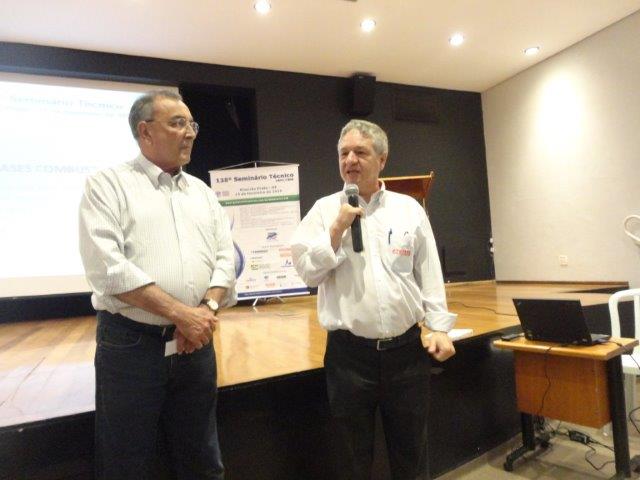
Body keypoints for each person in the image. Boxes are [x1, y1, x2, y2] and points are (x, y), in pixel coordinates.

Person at [79, 90, 236, 480]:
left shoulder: (202, 193)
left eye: (192, 124)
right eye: (177, 123)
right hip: (131, 347)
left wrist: (204, 312)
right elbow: (108, 269)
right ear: (145, 132)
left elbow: (226, 258)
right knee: (126, 462)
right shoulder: (107, 185)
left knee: (202, 458)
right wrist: (182, 315)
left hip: (196, 344)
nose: (190, 133)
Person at [290, 119, 457, 480]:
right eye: (343, 153)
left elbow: (428, 271)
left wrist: (440, 328)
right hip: (349, 358)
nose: (350, 160)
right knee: (352, 461)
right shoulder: (323, 211)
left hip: (407, 355)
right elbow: (307, 273)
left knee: (412, 456)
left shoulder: (409, 209)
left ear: (382, 159)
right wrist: (335, 231)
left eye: (360, 152)